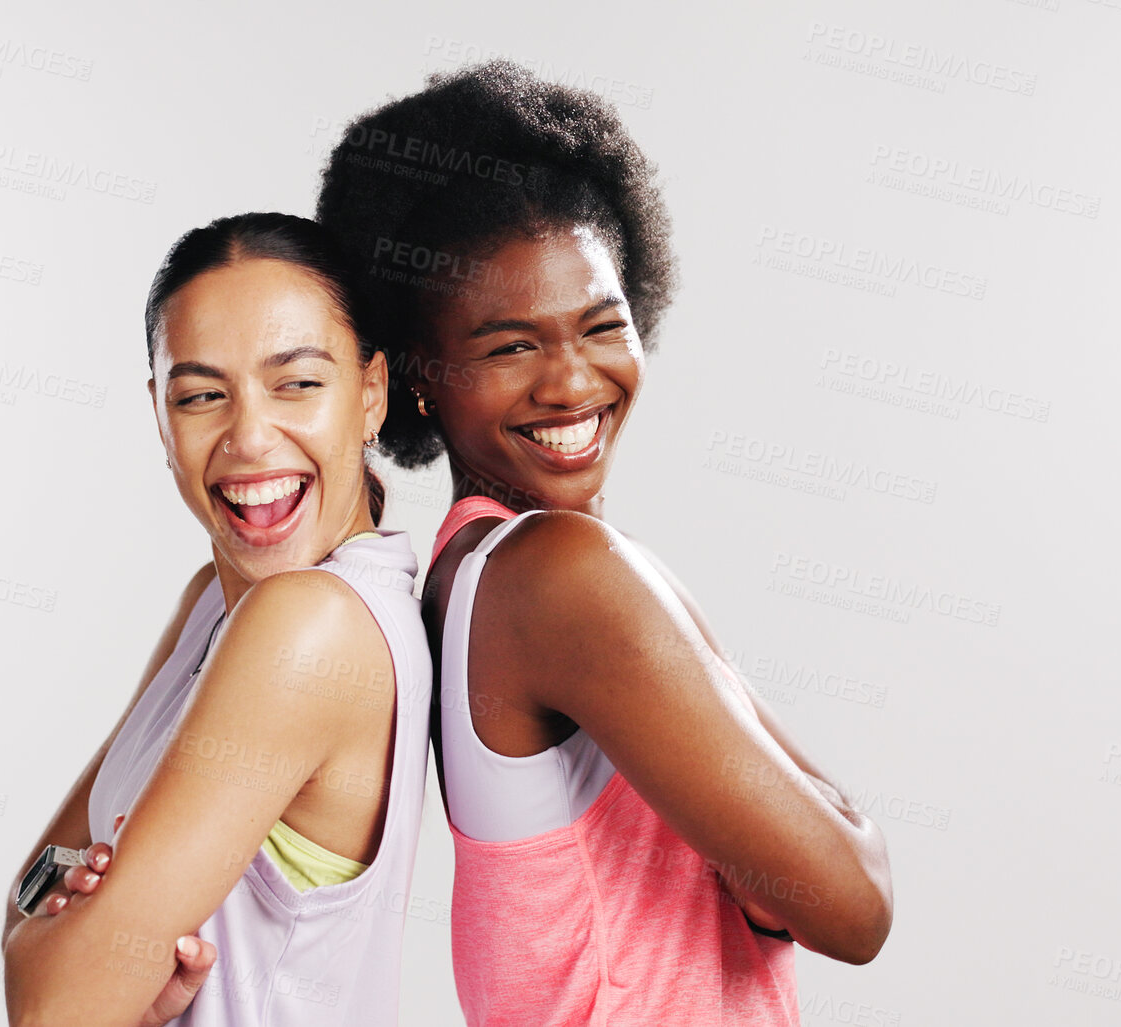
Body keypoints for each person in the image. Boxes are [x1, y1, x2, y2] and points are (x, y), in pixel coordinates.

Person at [315, 62, 895, 1026]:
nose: (571, 382)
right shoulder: (562, 577)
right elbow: (853, 901)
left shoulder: (466, 571)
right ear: (417, 379)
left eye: (600, 325)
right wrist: (806, 840)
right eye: (509, 346)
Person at [1, 212, 433, 1027]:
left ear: (370, 393)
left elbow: (52, 1005)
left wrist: (47, 946)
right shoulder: (215, 600)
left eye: (297, 383)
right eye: (202, 395)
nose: (247, 437)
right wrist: (71, 943)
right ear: (161, 417)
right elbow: (38, 900)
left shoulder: (309, 625)